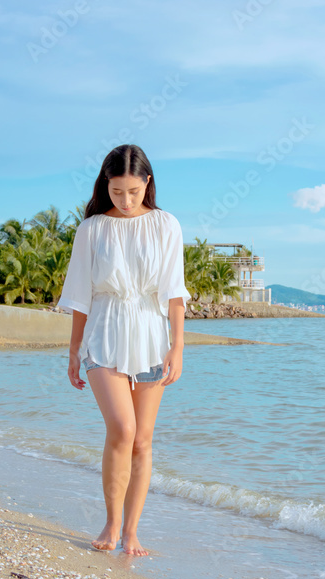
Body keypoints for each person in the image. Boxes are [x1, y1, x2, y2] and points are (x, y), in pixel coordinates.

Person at [56, 144, 192, 557]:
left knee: (144, 439)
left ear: (147, 183)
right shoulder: (92, 229)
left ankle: (132, 532)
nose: (126, 200)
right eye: (117, 192)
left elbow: (174, 292)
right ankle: (111, 523)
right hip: (104, 332)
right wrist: (74, 350)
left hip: (152, 334)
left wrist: (178, 345)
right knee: (122, 429)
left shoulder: (167, 225)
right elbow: (80, 295)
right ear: (105, 185)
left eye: (134, 191)